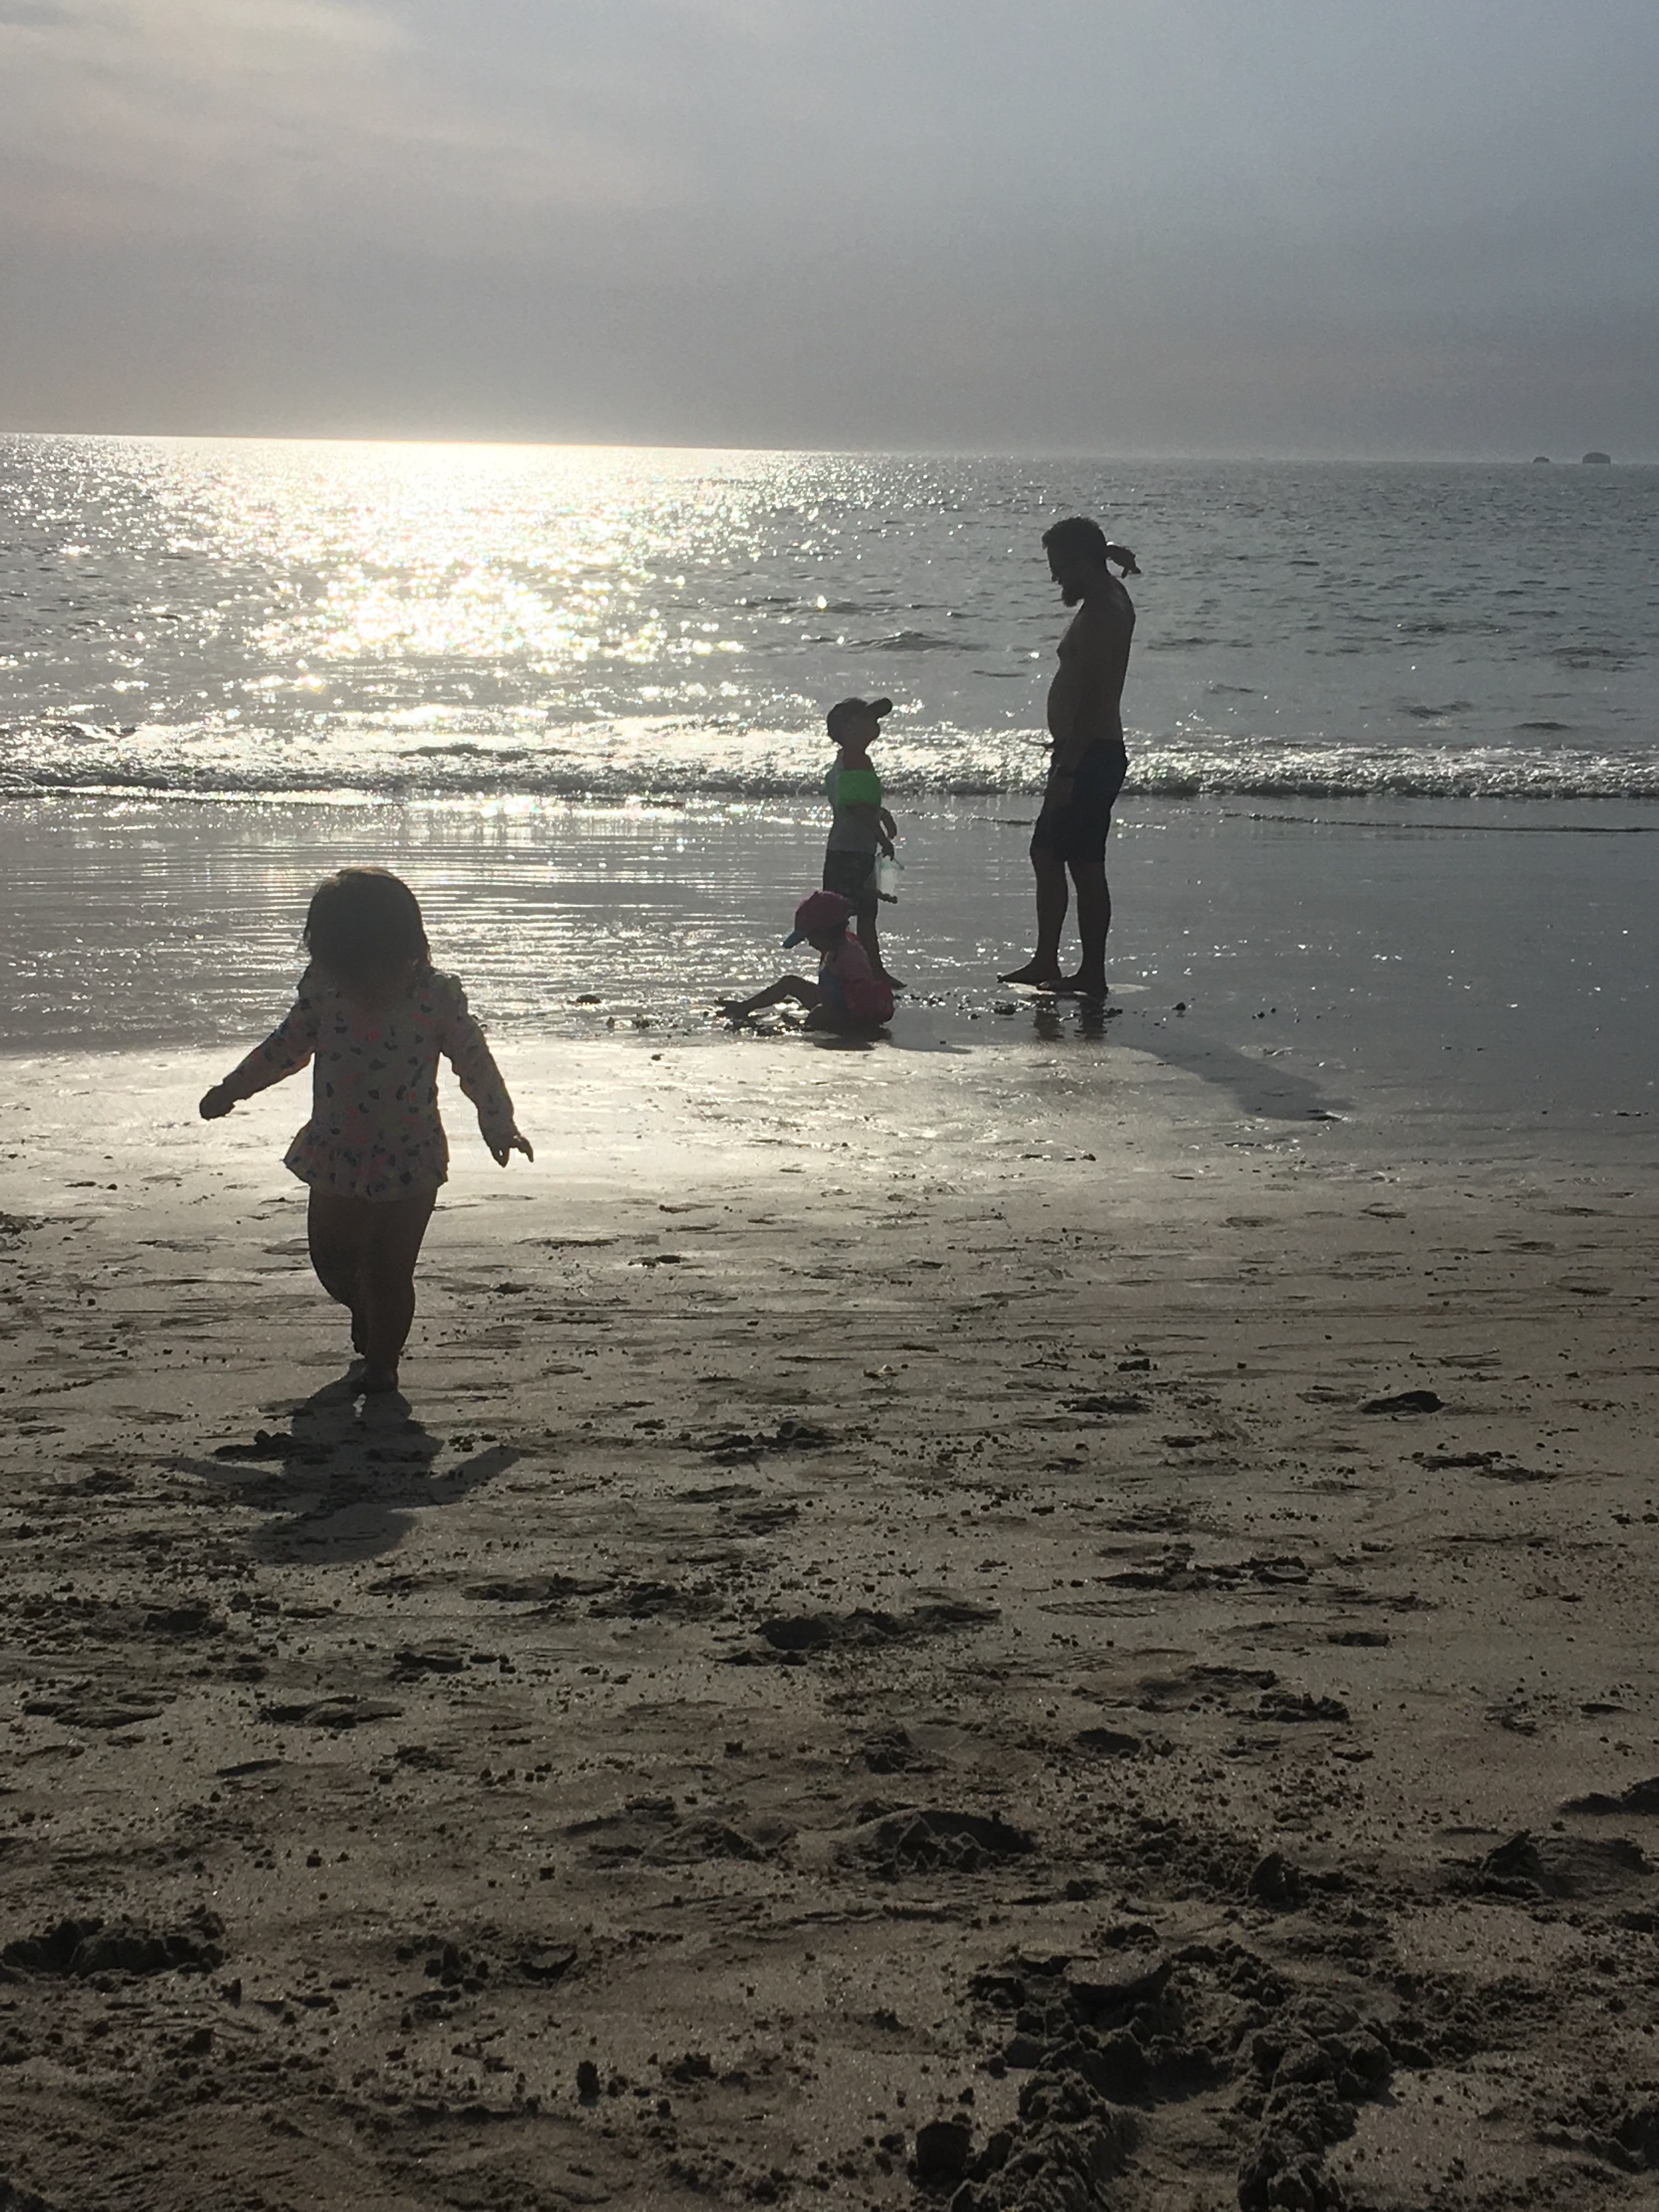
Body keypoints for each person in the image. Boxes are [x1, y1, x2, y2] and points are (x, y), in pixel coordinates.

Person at [198, 867, 533, 1395]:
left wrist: (499, 1123)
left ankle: (383, 1362)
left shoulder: (433, 997)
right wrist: (232, 1089)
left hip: (411, 1156)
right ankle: (364, 1307)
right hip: (338, 1152)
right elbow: (283, 1050)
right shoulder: (325, 995)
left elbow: (475, 1062)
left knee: (390, 1270)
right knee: (332, 1259)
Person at [1000, 516, 1139, 997]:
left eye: (1058, 567)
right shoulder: (1110, 590)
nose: (1054, 577)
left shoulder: (1102, 613)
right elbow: (1095, 554)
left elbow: (1093, 700)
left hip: (1090, 754)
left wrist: (1067, 769)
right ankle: (1046, 959)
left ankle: (1092, 973)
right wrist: (1113, 552)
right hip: (1085, 752)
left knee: (1083, 864)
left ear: (1082, 564)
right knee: (1046, 853)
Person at [718, 889, 895, 1032]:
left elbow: (866, 999)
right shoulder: (831, 950)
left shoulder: (850, 957)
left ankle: (803, 1028)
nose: (809, 943)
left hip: (853, 1014)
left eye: (810, 937)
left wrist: (831, 1018)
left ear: (827, 933)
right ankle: (745, 1007)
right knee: (790, 983)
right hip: (833, 1001)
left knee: (820, 1013)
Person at [822, 696, 902, 987]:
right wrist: (881, 836)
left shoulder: (853, 760)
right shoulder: (854, 760)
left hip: (851, 848)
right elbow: (857, 808)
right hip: (849, 850)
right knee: (850, 914)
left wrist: (882, 815)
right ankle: (854, 971)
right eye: (868, 719)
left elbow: (861, 802)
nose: (875, 724)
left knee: (860, 912)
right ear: (848, 728)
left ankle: (866, 970)